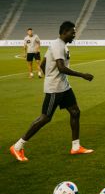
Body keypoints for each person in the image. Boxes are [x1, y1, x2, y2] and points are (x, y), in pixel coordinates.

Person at [10, 21, 94, 162]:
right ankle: (18, 146)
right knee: (45, 117)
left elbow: (43, 63)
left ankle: (76, 147)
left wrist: (49, 73)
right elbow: (61, 68)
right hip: (55, 88)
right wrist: (82, 75)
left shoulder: (61, 45)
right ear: (64, 32)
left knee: (75, 112)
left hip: (64, 86)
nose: (74, 35)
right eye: (72, 32)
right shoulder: (57, 45)